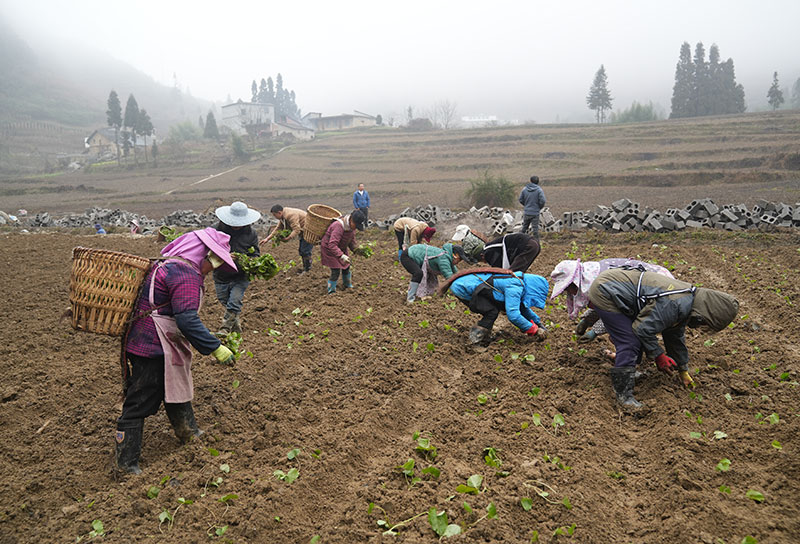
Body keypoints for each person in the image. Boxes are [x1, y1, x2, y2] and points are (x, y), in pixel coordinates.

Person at [116, 228, 238, 475]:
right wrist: (215, 347)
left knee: (174, 386)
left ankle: (188, 432)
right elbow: (187, 320)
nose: (213, 268)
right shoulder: (185, 274)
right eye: (213, 260)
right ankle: (125, 463)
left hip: (149, 339)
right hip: (152, 346)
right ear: (202, 254)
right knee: (140, 400)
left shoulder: (168, 264)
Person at [588, 268, 738, 411]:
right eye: (704, 322)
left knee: (637, 336)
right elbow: (642, 329)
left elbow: (674, 335)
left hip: (616, 289)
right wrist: (659, 356)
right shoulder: (675, 303)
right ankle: (623, 395)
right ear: (705, 313)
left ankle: (630, 372)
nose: (701, 326)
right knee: (630, 341)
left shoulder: (687, 301)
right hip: (606, 291)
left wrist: (683, 370)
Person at [550, 259, 674, 343]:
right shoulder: (594, 273)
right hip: (641, 292)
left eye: (569, 287)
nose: (570, 292)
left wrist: (594, 331)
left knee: (624, 333)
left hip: (657, 292)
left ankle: (632, 362)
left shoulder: (601, 282)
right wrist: (587, 320)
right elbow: (605, 305)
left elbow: (617, 313)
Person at [446, 270, 549, 344]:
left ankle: (483, 336)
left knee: (492, 309)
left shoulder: (519, 281)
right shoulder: (515, 287)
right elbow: (513, 315)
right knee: (491, 311)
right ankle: (475, 339)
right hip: (463, 287)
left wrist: (538, 323)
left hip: (470, 284)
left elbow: (522, 308)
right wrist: (534, 329)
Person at [213, 201, 261, 334]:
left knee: (234, 301)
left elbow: (255, 255)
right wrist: (225, 256)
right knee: (225, 301)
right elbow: (208, 250)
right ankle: (236, 326)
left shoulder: (251, 234)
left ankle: (225, 328)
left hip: (241, 275)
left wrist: (243, 259)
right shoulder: (217, 230)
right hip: (221, 274)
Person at [321, 209, 366, 294]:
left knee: (347, 266)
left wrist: (357, 250)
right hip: (329, 249)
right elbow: (332, 245)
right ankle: (331, 291)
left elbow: (351, 241)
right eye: (356, 225)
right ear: (351, 220)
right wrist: (342, 256)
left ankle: (347, 285)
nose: (355, 228)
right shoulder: (338, 226)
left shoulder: (351, 228)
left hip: (341, 247)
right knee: (336, 270)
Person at [261, 205, 313, 274]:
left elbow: (297, 229)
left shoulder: (290, 215)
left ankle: (308, 270)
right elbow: (278, 228)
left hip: (309, 231)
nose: (274, 217)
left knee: (305, 251)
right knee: (301, 250)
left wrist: (288, 238)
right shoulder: (283, 216)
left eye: (274, 215)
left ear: (279, 213)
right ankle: (305, 268)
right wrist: (267, 239)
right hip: (303, 232)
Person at [518, 175, 546, 240]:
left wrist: (526, 205)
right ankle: (536, 244)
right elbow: (543, 201)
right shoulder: (539, 190)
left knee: (524, 228)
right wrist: (539, 207)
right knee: (535, 230)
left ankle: (519, 241)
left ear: (530, 181)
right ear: (538, 182)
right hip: (535, 213)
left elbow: (520, 199)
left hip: (527, 212)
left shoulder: (525, 189)